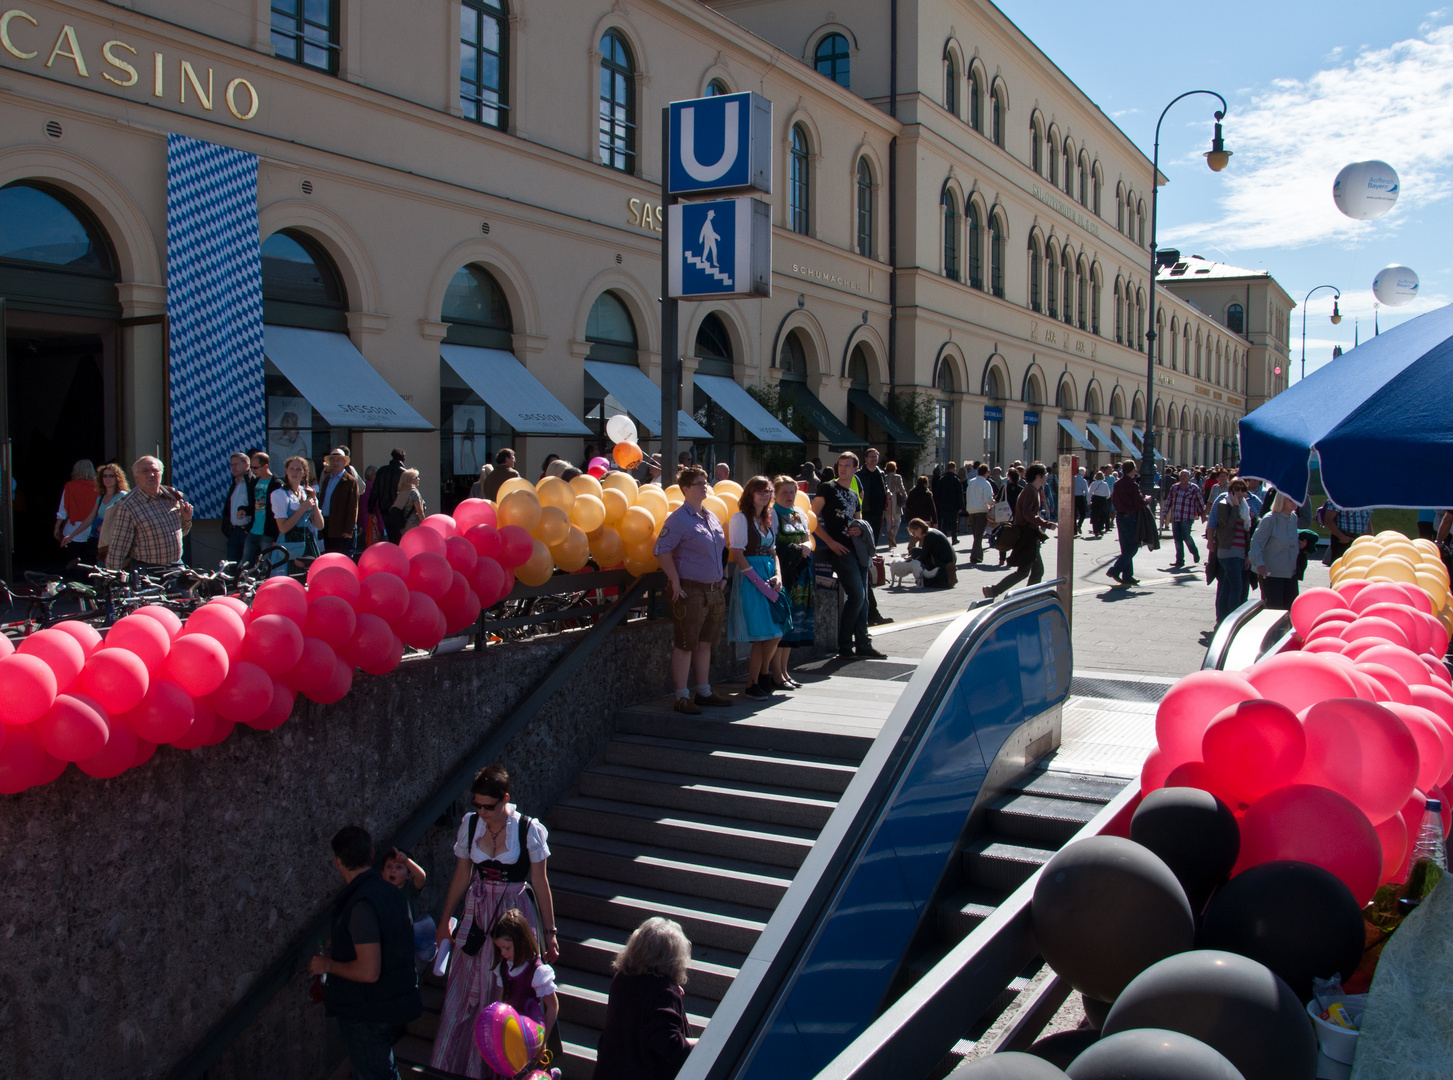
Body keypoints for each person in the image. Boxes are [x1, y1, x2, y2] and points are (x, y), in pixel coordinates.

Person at [431, 765, 558, 1077]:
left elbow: (540, 883)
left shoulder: (528, 829)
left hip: (513, 915)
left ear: (505, 799)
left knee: (503, 989)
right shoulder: (470, 824)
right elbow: (462, 874)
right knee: (462, 992)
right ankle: (453, 1067)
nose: (482, 811)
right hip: (477, 910)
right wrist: (445, 920)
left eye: (488, 806)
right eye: (477, 804)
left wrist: (550, 932)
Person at [309, 825, 421, 1080]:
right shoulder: (393, 893)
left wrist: (327, 965)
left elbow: (368, 971)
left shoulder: (361, 903)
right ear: (371, 854)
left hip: (366, 1011)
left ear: (337, 861)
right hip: (392, 1003)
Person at [654, 466, 734, 714]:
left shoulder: (710, 516)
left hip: (712, 590)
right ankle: (681, 696)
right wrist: (675, 581)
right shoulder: (678, 519)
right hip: (690, 590)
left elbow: (721, 547)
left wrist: (724, 574)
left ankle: (703, 690)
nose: (705, 486)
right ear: (686, 489)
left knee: (705, 643)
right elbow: (661, 549)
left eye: (706, 482)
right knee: (686, 643)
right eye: (699, 483)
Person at [593, 917, 696, 1080]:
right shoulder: (664, 992)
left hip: (610, 1070)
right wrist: (703, 1043)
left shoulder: (622, 978)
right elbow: (670, 1044)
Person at [813, 452, 886, 660]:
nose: (843, 469)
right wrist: (829, 542)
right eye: (840, 465)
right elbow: (812, 517)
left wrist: (860, 530)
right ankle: (844, 644)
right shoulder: (827, 488)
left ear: (855, 469)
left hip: (858, 550)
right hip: (840, 550)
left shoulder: (854, 495)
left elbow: (859, 521)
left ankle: (863, 643)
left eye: (847, 466)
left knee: (864, 600)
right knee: (857, 596)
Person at [727, 475, 785, 701]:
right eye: (759, 491)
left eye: (768, 491)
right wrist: (759, 583)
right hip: (752, 580)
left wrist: (778, 575)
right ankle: (752, 683)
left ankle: (763, 675)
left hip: (770, 577)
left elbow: (774, 552)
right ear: (749, 494)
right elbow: (738, 554)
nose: (764, 495)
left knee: (776, 632)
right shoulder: (740, 519)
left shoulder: (771, 518)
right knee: (762, 635)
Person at [103, 456, 193, 570]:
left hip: (176, 567)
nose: (151, 475)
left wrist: (186, 519)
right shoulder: (128, 506)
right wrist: (113, 577)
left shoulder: (172, 498)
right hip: (148, 571)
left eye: (155, 471)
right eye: (145, 471)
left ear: (161, 473)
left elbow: (181, 533)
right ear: (136, 478)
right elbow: (119, 547)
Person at [984, 463, 1056, 600]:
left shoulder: (1032, 490)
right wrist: (1045, 523)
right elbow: (1028, 513)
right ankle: (995, 591)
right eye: (1045, 474)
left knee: (1036, 570)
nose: (1047, 477)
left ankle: (1026, 596)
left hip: (1029, 535)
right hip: (1027, 535)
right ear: (1038, 476)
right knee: (1025, 571)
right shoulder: (1030, 491)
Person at [770, 476, 814, 690]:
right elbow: (773, 544)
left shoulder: (799, 514)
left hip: (800, 575)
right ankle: (776, 673)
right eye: (784, 492)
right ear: (775, 495)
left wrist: (806, 545)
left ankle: (785, 671)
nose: (789, 497)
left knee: (794, 625)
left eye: (792, 492)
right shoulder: (773, 514)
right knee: (782, 625)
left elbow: (807, 536)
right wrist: (798, 549)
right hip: (784, 574)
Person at [1208, 478, 1253, 623]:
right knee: (1236, 587)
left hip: (1240, 553)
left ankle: (1223, 620)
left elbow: (1247, 532)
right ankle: (1233, 621)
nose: (1239, 492)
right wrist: (1234, 507)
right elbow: (1228, 526)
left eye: (1242, 489)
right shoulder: (1224, 504)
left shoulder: (1245, 507)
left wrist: (1247, 555)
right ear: (1231, 490)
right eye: (1236, 489)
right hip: (1228, 551)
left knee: (1227, 587)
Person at [271, 455, 323, 577]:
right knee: (291, 579)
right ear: (286, 471)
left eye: (299, 469)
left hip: (308, 543)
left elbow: (319, 526)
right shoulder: (280, 494)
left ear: (305, 473)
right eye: (291, 469)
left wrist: (314, 501)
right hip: (290, 544)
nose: (295, 472)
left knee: (310, 579)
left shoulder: (307, 493)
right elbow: (283, 528)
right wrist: (302, 509)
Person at [1249, 493, 1302, 610]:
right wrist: (1259, 563)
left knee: (1291, 608)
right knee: (1275, 609)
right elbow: (1256, 542)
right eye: (1290, 500)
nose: (1294, 503)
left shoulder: (1293, 517)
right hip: (1273, 573)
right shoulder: (1270, 519)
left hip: (1290, 572)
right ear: (1281, 501)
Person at [1107, 460, 1150, 586]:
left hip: (1120, 516)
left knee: (1125, 547)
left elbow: (1114, 499)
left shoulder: (1117, 483)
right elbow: (1139, 502)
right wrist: (1147, 500)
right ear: (1132, 470)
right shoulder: (1132, 484)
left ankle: (1128, 575)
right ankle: (1115, 570)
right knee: (1133, 546)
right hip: (1131, 516)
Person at [54, 459, 99, 563]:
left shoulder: (70, 486)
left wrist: (57, 527)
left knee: (73, 564)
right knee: (90, 564)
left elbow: (63, 510)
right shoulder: (98, 487)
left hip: (72, 530)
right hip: (91, 529)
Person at [243, 452, 282, 568]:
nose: (253, 470)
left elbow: (277, 511)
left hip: (268, 532)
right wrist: (243, 510)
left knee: (267, 564)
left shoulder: (276, 484)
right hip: (254, 529)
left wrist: (276, 535)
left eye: (255, 467)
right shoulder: (254, 482)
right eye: (251, 467)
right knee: (245, 561)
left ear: (265, 466)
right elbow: (253, 505)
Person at [320, 447, 360, 554]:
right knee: (327, 554)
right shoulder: (327, 479)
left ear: (344, 462)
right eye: (333, 460)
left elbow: (353, 507)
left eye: (338, 460)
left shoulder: (350, 481)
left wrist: (348, 529)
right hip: (326, 524)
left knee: (339, 554)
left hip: (340, 527)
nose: (335, 462)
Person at [1164, 469, 1206, 569]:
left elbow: (1200, 502)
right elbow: (1169, 500)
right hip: (1176, 516)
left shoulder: (1194, 488)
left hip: (1187, 517)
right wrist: (1165, 513)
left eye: (1185, 476)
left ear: (1189, 477)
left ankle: (1194, 552)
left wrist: (1203, 514)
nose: (1183, 477)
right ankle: (1179, 560)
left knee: (1186, 536)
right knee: (1177, 539)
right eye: (1181, 475)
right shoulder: (1174, 487)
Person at [89, 462, 130, 565]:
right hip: (103, 544)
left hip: (117, 543)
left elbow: (126, 519)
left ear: (117, 478)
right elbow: (90, 518)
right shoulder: (101, 497)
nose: (108, 479)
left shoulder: (123, 496)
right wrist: (71, 536)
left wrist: (105, 526)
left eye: (111, 476)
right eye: (105, 476)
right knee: (101, 575)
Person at [903, 518, 957, 589]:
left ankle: (924, 579)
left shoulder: (929, 536)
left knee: (915, 553)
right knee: (915, 550)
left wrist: (911, 562)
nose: (914, 535)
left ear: (919, 529)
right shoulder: (931, 531)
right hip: (946, 558)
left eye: (914, 532)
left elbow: (923, 556)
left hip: (944, 562)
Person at [219, 452, 252, 564]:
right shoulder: (235, 483)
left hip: (247, 531)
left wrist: (249, 528)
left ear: (246, 465)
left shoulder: (252, 483)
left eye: (236, 464)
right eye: (232, 465)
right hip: (234, 531)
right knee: (231, 566)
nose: (233, 468)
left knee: (248, 566)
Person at [964, 463, 996, 564]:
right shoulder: (985, 483)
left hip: (971, 510)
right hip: (981, 510)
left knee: (976, 534)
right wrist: (993, 503)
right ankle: (975, 556)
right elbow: (987, 499)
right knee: (979, 535)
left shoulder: (971, 482)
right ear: (987, 472)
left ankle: (978, 555)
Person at [368, 449, 407, 529]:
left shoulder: (382, 471)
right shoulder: (404, 473)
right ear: (403, 459)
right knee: (399, 534)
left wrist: (370, 508)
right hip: (400, 509)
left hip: (384, 508)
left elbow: (375, 491)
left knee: (390, 533)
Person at [856, 448, 888, 545]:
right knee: (865, 534)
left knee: (876, 534)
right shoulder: (859, 474)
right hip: (865, 509)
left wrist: (888, 492)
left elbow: (885, 487)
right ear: (865, 458)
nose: (873, 459)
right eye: (871, 457)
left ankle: (872, 554)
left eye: (875, 456)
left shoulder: (881, 473)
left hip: (878, 510)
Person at [387, 468, 425, 540]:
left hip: (403, 525)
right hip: (413, 524)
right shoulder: (414, 493)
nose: (418, 479)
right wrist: (425, 524)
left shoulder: (402, 492)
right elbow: (420, 512)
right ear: (409, 479)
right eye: (416, 477)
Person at [932, 461, 963, 543]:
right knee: (954, 522)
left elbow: (937, 494)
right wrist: (961, 506)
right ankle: (954, 538)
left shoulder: (942, 479)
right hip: (954, 504)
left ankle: (944, 538)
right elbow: (959, 494)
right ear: (953, 468)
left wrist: (938, 503)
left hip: (944, 504)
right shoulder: (956, 479)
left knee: (944, 522)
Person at [882, 462, 907, 551]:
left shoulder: (884, 477)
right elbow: (901, 488)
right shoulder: (897, 477)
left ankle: (890, 539)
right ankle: (893, 537)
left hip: (886, 500)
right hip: (895, 499)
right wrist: (905, 496)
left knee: (889, 521)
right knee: (897, 519)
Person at [360, 465, 383, 547]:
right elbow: (369, 505)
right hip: (371, 519)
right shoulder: (369, 486)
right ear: (371, 475)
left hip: (371, 518)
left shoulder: (369, 486)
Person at [1088, 470, 1111, 538]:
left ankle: (1095, 530)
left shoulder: (1093, 483)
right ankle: (1100, 528)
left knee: (1095, 515)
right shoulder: (1105, 484)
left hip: (1095, 499)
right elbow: (1108, 494)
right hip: (1103, 500)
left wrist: (1088, 501)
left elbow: (1090, 493)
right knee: (1103, 515)